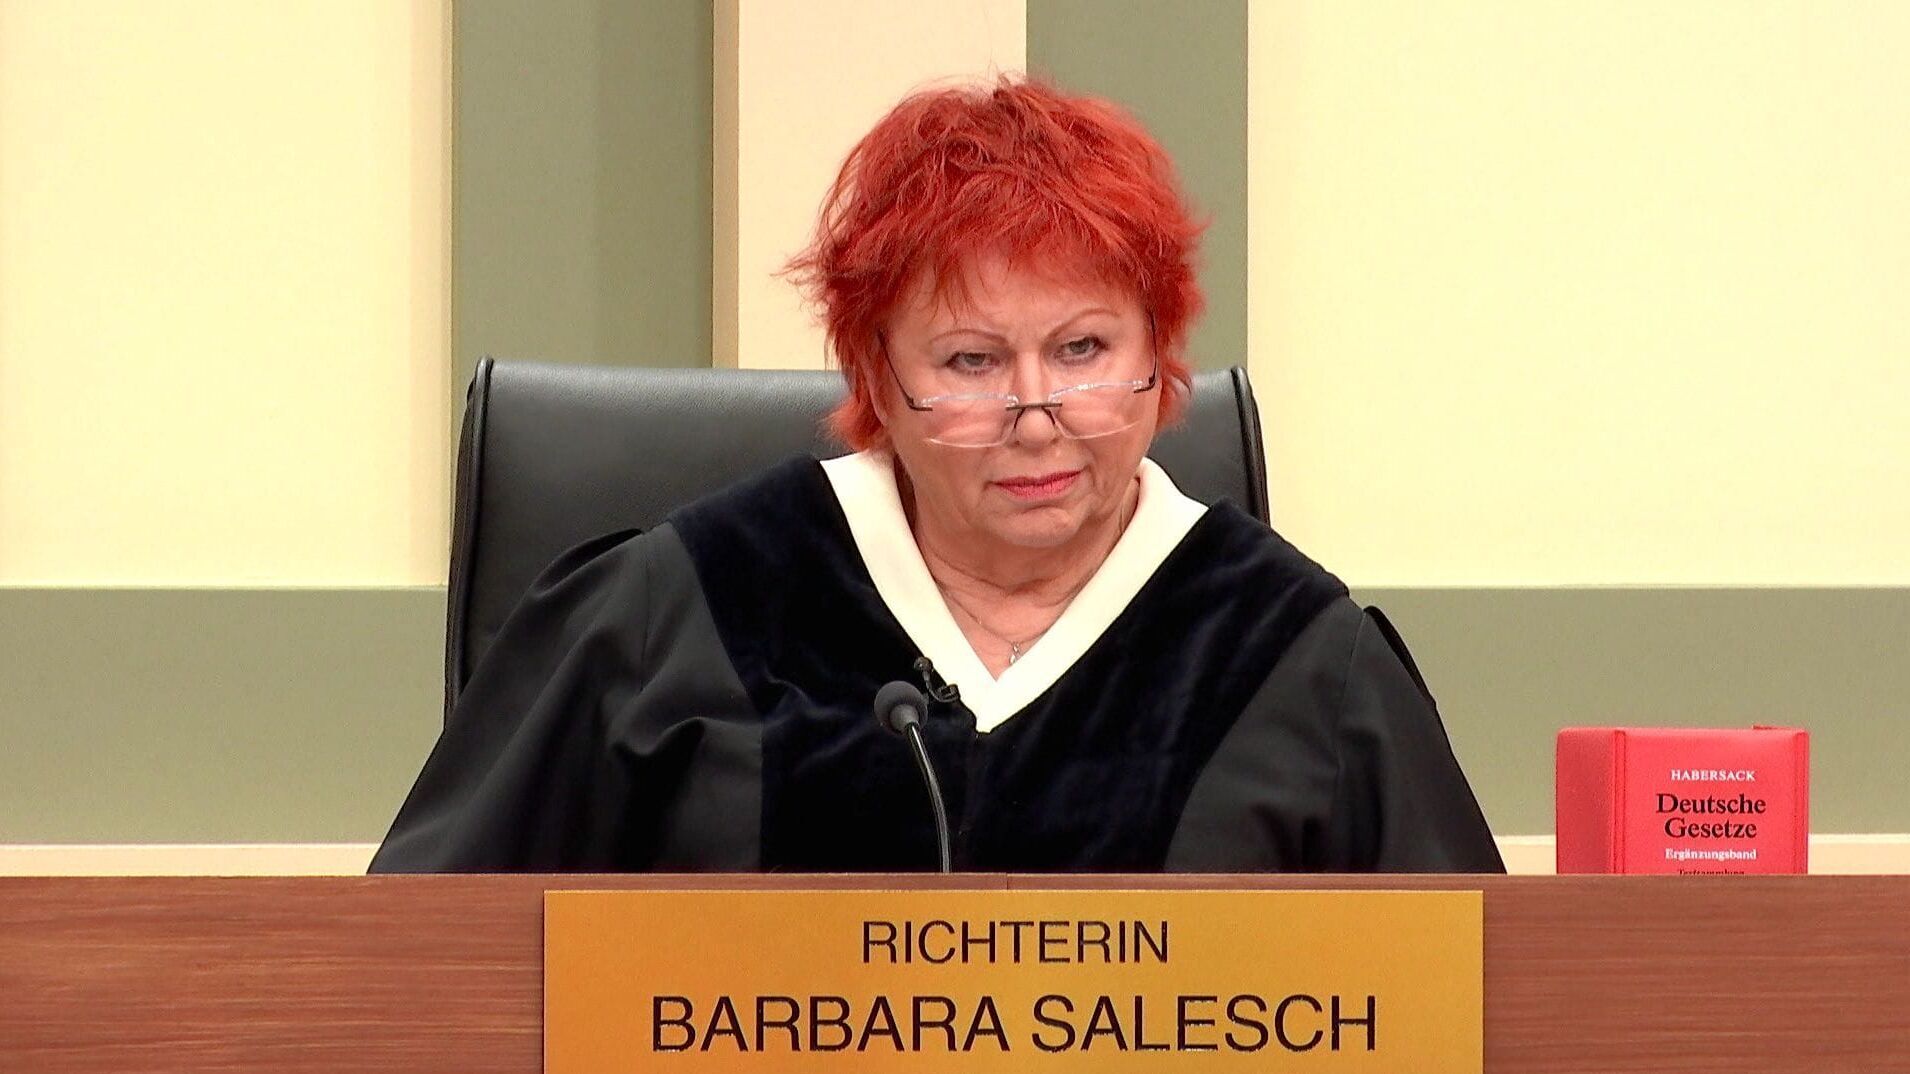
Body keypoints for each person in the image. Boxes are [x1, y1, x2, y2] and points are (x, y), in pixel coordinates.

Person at [370, 78, 1503, 874]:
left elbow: (1467, 1010)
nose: (1035, 416)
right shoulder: (682, 611)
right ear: (876, 374)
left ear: (1160, 356)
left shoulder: (1292, 653)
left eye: (1083, 349)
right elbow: (417, 971)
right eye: (970, 362)